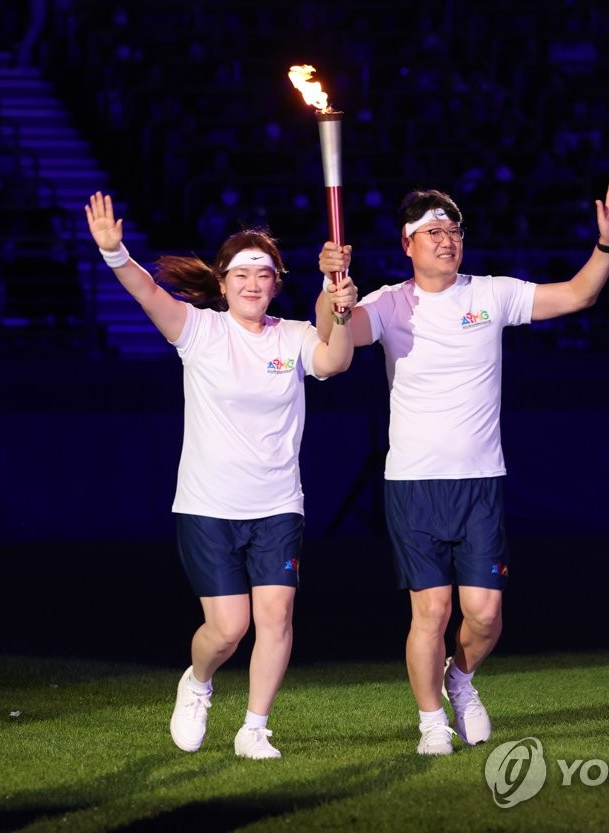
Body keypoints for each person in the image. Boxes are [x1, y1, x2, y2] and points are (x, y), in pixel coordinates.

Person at [315, 180, 609, 755]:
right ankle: (431, 721)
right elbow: (337, 345)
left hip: (480, 482)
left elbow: (577, 296)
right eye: (433, 232)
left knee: (484, 616)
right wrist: (330, 294)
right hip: (413, 485)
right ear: (407, 244)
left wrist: (606, 248)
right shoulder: (389, 303)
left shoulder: (490, 294)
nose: (447, 240)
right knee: (431, 611)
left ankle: (459, 679)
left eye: (454, 231)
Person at [86, 191, 357, 759]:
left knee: (277, 617)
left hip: (278, 504)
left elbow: (334, 361)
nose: (253, 283)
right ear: (224, 281)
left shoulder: (293, 337)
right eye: (241, 273)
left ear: (277, 283)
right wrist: (115, 254)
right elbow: (148, 292)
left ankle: (255, 727)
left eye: (263, 273)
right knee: (227, 629)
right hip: (209, 506)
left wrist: (336, 301)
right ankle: (199, 681)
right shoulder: (201, 333)